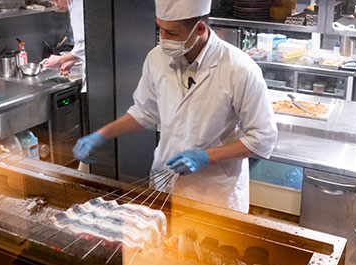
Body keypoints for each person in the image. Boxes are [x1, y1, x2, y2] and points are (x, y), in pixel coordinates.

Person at [73, 0, 278, 213]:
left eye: (171, 33)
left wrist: (206, 157)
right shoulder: (156, 59)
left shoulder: (240, 69)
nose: (163, 40)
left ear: (200, 28)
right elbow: (144, 112)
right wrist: (102, 134)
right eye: (159, 29)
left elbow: (262, 139)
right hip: (164, 186)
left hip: (213, 193)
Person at [43, 0, 84, 77]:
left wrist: (60, 59)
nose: (56, 5)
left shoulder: (78, 10)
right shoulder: (78, 6)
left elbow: (85, 46)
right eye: (52, 2)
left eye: (56, 0)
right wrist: (73, 59)